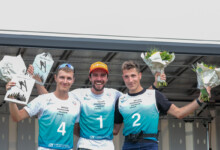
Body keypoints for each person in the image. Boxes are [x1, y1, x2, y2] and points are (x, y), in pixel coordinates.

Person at [30, 61, 164, 150]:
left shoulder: (115, 95)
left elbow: (139, 97)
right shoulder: (78, 94)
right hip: (85, 146)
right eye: (95, 75)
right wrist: (38, 82)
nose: (98, 78)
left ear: (107, 78)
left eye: (102, 75)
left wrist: (156, 84)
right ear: (90, 77)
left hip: (107, 146)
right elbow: (52, 100)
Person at [114, 60, 211, 150]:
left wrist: (200, 100)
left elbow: (179, 113)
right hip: (128, 145)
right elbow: (115, 130)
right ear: (123, 78)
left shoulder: (154, 95)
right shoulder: (121, 100)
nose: (130, 80)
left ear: (140, 75)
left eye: (133, 76)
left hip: (149, 144)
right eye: (126, 76)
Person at [6, 63, 80, 150]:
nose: (65, 81)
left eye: (69, 78)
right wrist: (11, 97)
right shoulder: (42, 99)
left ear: (73, 80)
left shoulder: (76, 104)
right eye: (62, 77)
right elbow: (17, 117)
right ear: (55, 78)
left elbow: (78, 130)